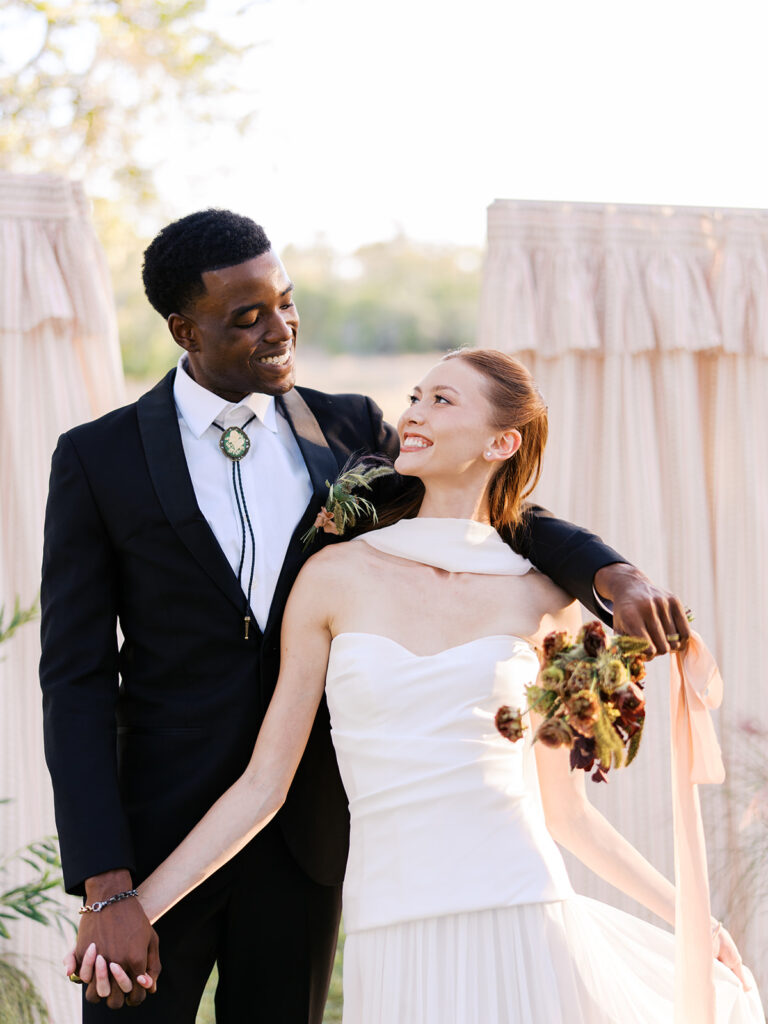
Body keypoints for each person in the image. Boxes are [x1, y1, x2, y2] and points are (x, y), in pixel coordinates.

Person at [44, 210, 694, 1022]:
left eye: (286, 302)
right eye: (248, 317)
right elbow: (74, 679)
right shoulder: (97, 458)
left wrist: (612, 572)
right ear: (185, 330)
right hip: (159, 841)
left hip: (309, 839)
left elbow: (492, 506)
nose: (281, 328)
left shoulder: (347, 429)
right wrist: (109, 887)